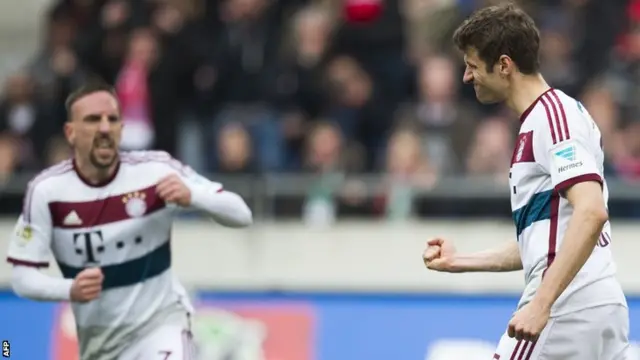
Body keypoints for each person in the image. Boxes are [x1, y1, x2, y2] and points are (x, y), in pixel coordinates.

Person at [422, 4, 630, 360]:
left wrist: (542, 304)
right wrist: (461, 261)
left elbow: (591, 213)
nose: (466, 77)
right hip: (592, 303)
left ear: (504, 65)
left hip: (568, 305)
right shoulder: (545, 120)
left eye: (472, 66)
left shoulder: (553, 118)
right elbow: (546, 240)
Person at [6, 81, 253, 360]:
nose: (104, 128)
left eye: (112, 119)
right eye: (92, 119)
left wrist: (194, 196)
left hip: (161, 326)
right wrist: (70, 288)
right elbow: (22, 278)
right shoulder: (47, 192)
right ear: (70, 133)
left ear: (121, 129)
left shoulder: (156, 170)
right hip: (98, 343)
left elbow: (241, 214)